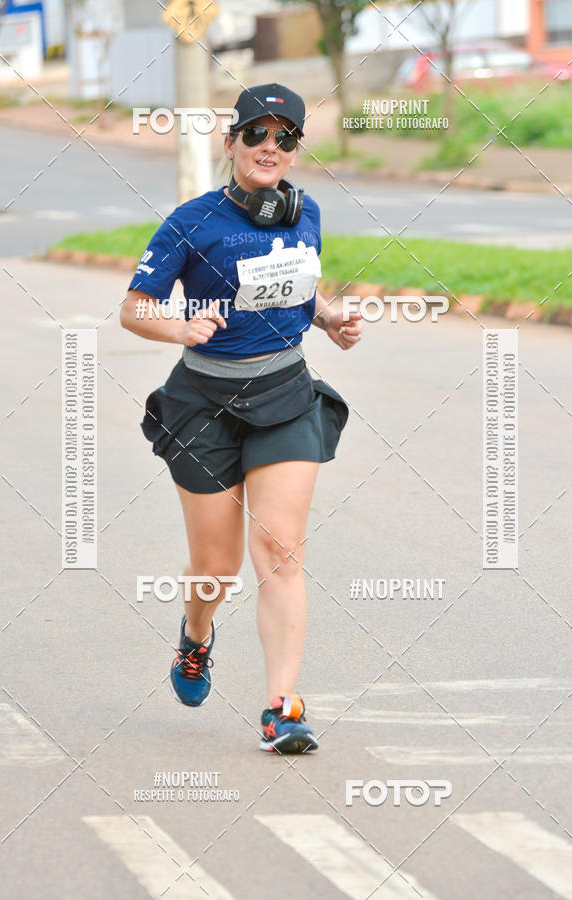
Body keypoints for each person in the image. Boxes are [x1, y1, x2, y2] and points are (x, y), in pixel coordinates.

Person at [120, 83, 362, 754]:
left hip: (284, 396)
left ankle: (282, 707)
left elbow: (298, 286)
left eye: (285, 137)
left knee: (281, 549)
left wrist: (330, 317)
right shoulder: (191, 222)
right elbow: (133, 307)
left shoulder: (304, 213)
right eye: (256, 133)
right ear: (231, 143)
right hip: (203, 406)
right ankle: (196, 637)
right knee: (216, 568)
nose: (269, 147)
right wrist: (179, 327)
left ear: (293, 150)